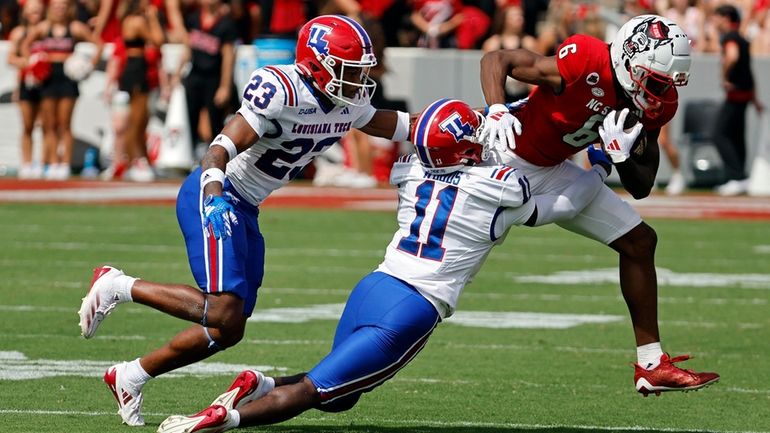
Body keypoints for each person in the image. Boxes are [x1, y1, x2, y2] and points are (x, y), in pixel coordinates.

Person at [155, 98, 616, 433]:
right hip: (412, 308)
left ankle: (258, 384)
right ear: (460, 150)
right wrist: (598, 167)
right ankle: (216, 422)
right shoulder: (501, 190)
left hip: (375, 287)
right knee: (317, 391)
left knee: (341, 396)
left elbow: (440, 145)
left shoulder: (412, 172)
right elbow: (562, 204)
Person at [77, 15, 415, 427]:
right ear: (315, 63)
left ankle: (130, 375)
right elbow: (220, 147)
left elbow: (403, 125)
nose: (357, 81)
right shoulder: (283, 89)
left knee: (229, 328)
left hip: (248, 205)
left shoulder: (347, 101)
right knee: (222, 311)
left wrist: (469, 124)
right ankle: (117, 285)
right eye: (348, 70)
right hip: (217, 195)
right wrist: (215, 195)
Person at [478, 14, 720, 395]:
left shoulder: (653, 103)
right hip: (503, 158)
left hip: (554, 168)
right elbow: (497, 60)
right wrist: (495, 109)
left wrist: (623, 158)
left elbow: (642, 187)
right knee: (450, 275)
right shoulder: (586, 60)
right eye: (655, 81)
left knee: (640, 242)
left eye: (668, 82)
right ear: (628, 60)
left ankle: (652, 364)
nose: (661, 92)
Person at [21, 0, 102, 180]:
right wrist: (33, 61)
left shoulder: (75, 28)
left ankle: (64, 163)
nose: (59, 10)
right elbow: (25, 45)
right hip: (48, 78)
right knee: (49, 124)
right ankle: (51, 162)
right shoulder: (43, 27)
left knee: (65, 123)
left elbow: (99, 44)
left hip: (67, 79)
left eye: (63, 7)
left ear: (68, 9)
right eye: (56, 7)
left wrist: (89, 66)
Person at [173, 0, 239, 157]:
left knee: (215, 121)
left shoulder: (226, 24)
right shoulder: (194, 19)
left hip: (213, 78)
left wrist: (225, 86)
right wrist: (177, 73)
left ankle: (217, 158)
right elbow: (188, 48)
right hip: (195, 76)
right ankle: (191, 156)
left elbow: (228, 57)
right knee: (190, 118)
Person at [712, 4, 764, 196]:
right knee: (737, 137)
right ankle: (741, 177)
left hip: (735, 95)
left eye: (717, 17)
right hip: (745, 95)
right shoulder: (742, 38)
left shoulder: (731, 37)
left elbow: (732, 56)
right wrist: (755, 99)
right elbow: (749, 71)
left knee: (719, 134)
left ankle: (736, 176)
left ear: (726, 18)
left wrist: (724, 76)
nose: (714, 22)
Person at [115, 0, 166, 182]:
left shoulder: (128, 19)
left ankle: (141, 160)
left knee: (141, 119)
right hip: (136, 71)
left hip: (135, 69)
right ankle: (132, 162)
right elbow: (159, 40)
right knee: (137, 120)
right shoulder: (137, 21)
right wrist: (153, 19)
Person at [7, 0, 46, 179]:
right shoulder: (19, 33)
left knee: (47, 125)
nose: (35, 14)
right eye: (32, 11)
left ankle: (45, 162)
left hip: (47, 84)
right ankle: (27, 162)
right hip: (26, 82)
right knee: (28, 125)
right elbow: (11, 58)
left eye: (38, 11)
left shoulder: (47, 31)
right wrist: (29, 63)